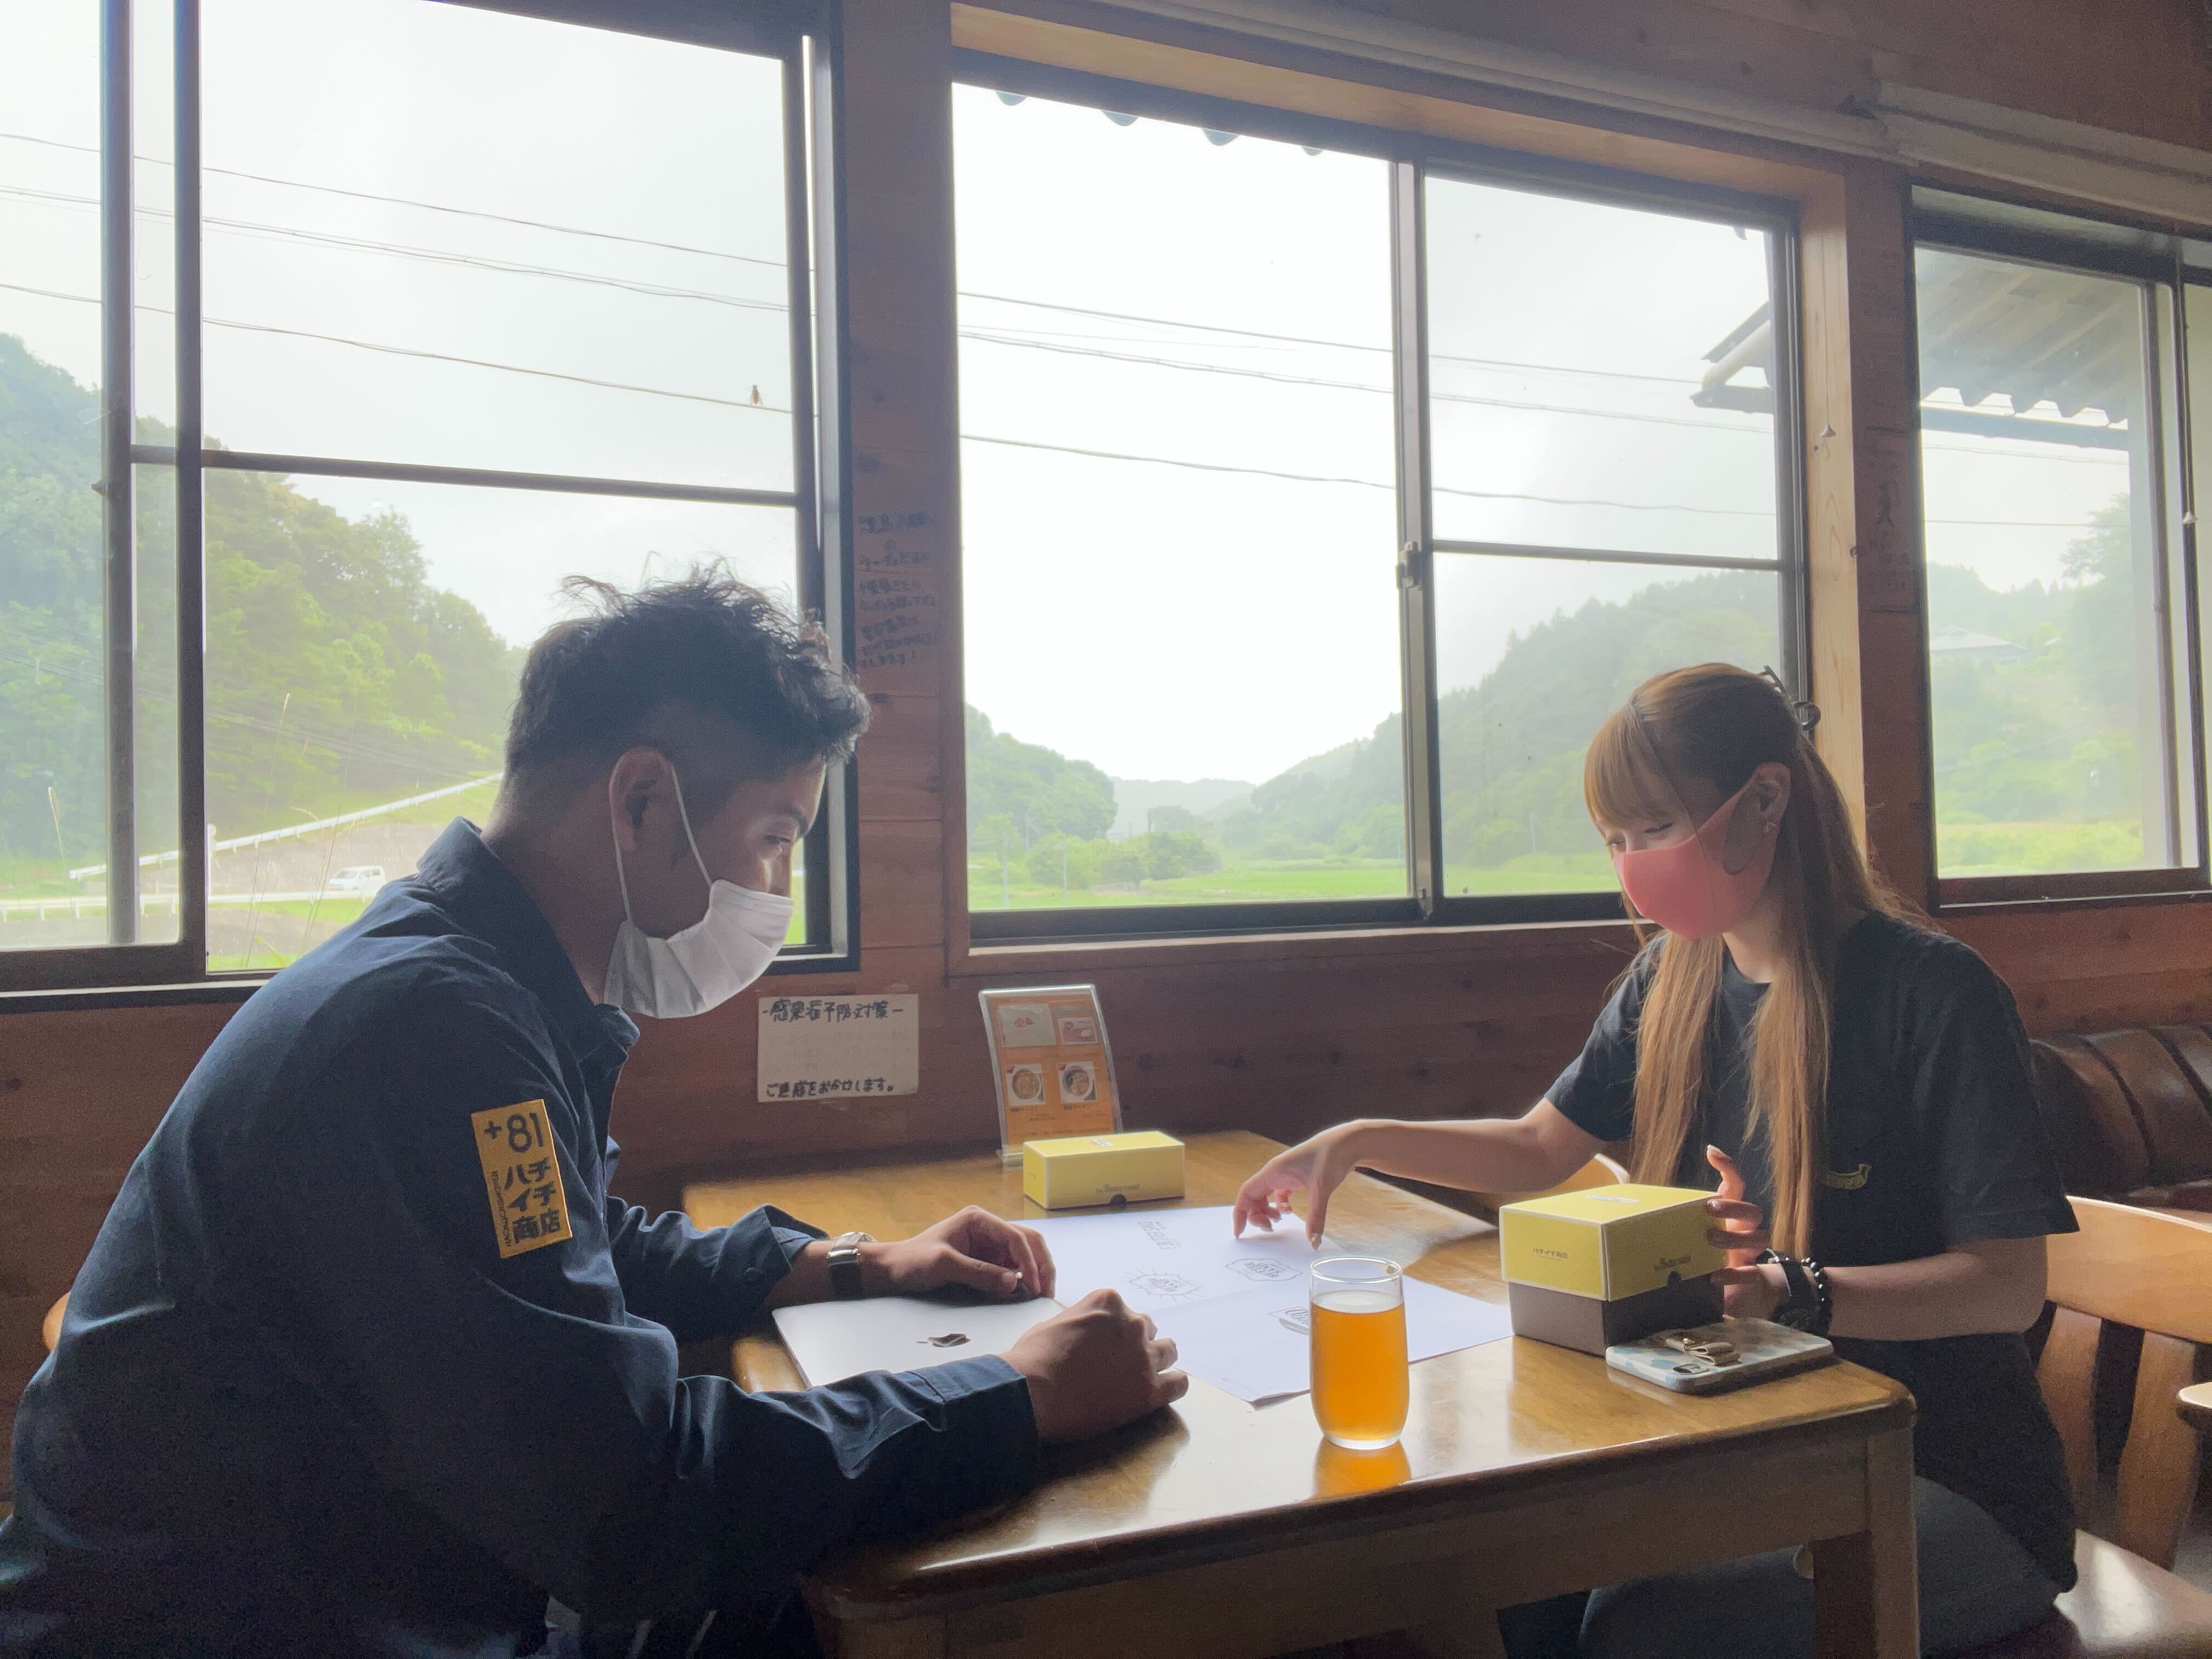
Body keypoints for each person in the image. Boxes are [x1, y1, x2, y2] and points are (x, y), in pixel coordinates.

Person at [0, 573, 1186, 1658]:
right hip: (273, 1625)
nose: (777, 892)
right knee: (872, 1598)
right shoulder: (434, 1033)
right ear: (642, 801)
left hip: (374, 1582)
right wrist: (1015, 1397)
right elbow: (631, 1507)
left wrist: (849, 1264)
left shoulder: (464, 980)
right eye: (774, 840)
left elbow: (568, 1247)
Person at [1233, 664, 2078, 1659]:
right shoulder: (1672, 979)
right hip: (1740, 1442)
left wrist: (1793, 1289)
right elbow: (1539, 1146)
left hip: (1944, 1481)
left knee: (1635, 1632)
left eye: (1657, 828)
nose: (1635, 865)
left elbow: (2007, 1286)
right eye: (1616, 841)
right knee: (1504, 1584)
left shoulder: (1932, 994)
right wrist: (1357, 1143)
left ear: (1766, 799)